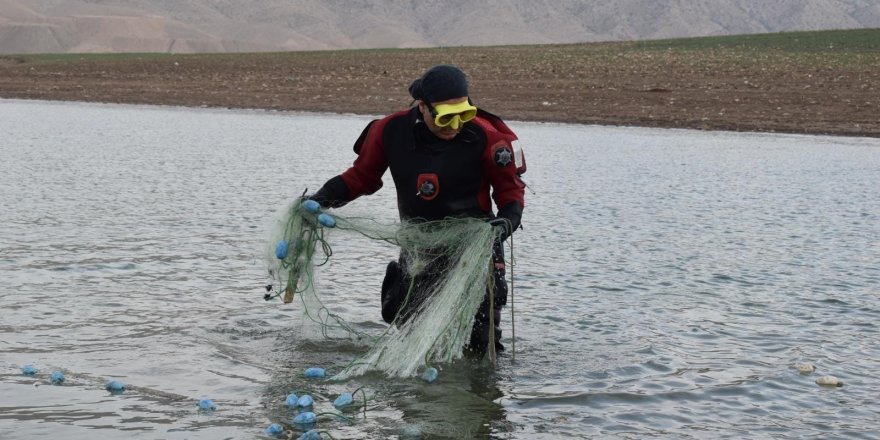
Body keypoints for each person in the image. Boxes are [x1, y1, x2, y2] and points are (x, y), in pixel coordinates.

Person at [308, 64, 526, 356]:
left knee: (482, 345)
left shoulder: (487, 137)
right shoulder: (390, 131)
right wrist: (320, 200)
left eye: (463, 115)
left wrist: (507, 222)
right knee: (414, 337)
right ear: (423, 106)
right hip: (421, 247)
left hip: (477, 249)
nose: (455, 126)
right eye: (446, 118)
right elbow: (361, 178)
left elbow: (509, 190)